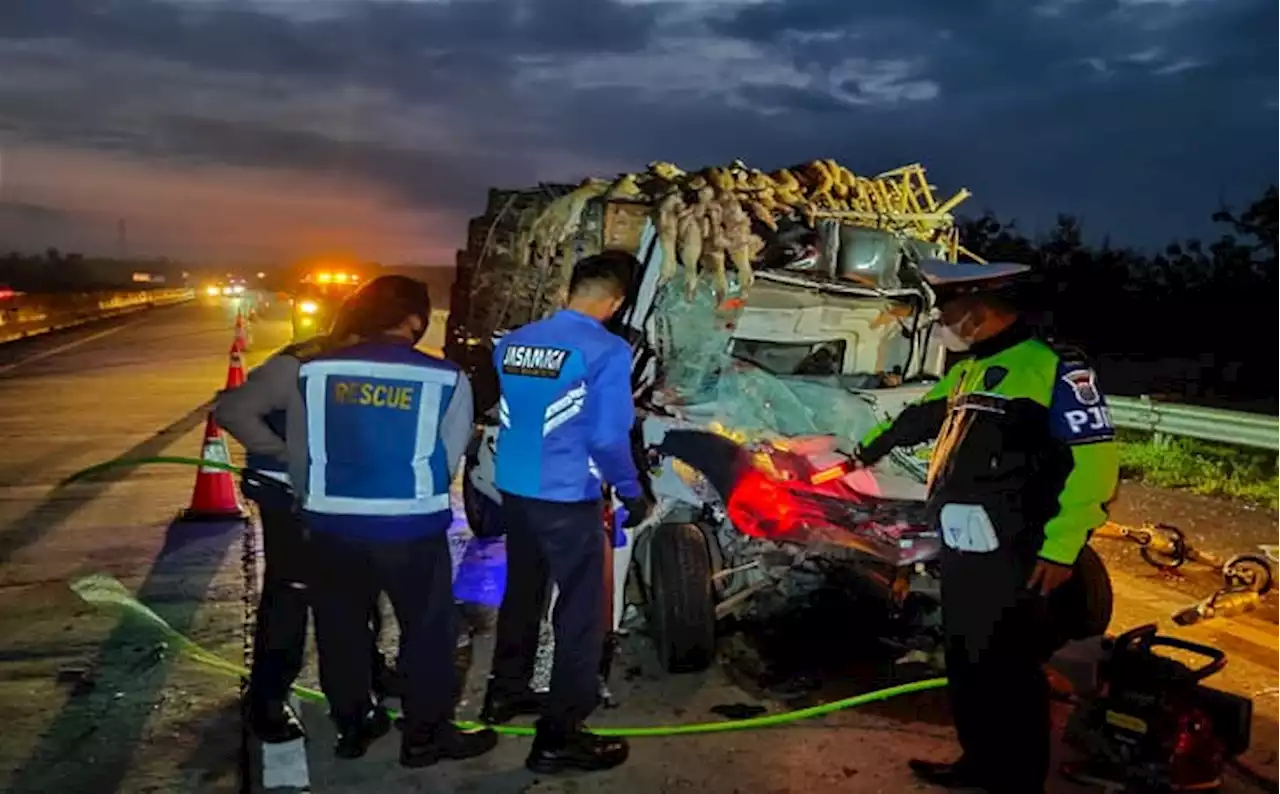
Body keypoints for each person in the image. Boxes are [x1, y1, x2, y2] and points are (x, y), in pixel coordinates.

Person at [851, 262, 1119, 794]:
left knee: (1011, 668)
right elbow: (919, 417)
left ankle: (1017, 779)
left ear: (976, 309)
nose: (942, 322)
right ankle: (979, 762)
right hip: (965, 545)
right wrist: (862, 451)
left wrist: (1063, 548)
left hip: (1019, 549)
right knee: (967, 658)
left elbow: (1096, 463)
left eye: (947, 310)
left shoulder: (1054, 369)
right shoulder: (971, 369)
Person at [215, 275, 497, 767]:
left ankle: (353, 725)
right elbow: (448, 461)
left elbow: (303, 454)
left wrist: (317, 500)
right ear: (413, 319)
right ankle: (425, 737)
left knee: (340, 629)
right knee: (427, 631)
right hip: (409, 526)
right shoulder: (446, 377)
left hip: (333, 526)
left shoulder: (314, 370)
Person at [481, 250, 650, 774]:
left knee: (523, 594)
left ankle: (505, 693)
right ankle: (559, 737)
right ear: (616, 301)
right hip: (564, 495)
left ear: (569, 289)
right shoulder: (607, 350)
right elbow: (605, 434)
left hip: (515, 487)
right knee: (581, 614)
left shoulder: (512, 342)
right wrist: (631, 488)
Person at [217, 317, 395, 744]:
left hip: (338, 497)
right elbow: (230, 411)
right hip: (287, 497)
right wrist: (286, 455)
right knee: (291, 594)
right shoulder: (296, 364)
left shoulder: (357, 366)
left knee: (358, 589)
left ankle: (369, 673)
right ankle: (267, 700)